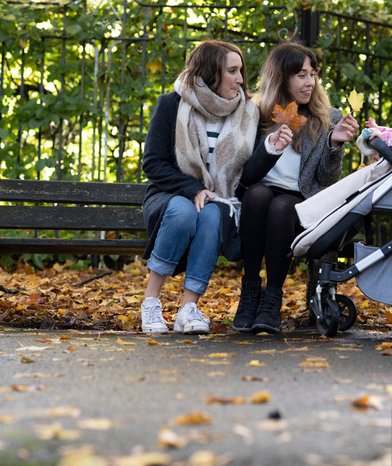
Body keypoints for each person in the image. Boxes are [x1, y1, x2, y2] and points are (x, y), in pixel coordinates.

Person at [140, 40, 270, 334]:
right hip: (170, 195)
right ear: (211, 72)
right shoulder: (172, 104)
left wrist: (270, 150)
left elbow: (248, 174)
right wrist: (193, 188)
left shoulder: (248, 113)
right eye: (232, 71)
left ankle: (188, 309)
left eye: (241, 71)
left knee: (211, 215)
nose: (240, 79)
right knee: (185, 211)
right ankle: (150, 302)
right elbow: (153, 163)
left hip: (220, 201)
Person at [232, 41, 359, 334]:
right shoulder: (255, 113)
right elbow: (245, 176)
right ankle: (250, 292)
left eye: (312, 74)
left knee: (280, 206)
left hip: (300, 203)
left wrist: (333, 144)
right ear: (282, 76)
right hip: (256, 199)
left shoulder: (328, 118)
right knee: (258, 194)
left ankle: (272, 299)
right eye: (301, 74)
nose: (310, 82)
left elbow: (326, 183)